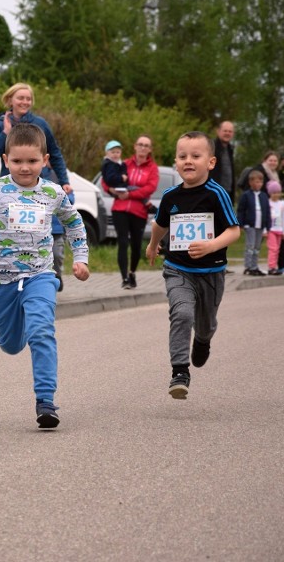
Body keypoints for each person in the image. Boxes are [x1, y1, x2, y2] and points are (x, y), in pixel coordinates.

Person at [0, 123, 90, 428]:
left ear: (45, 161)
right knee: (10, 344)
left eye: (32, 161)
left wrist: (81, 257)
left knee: (42, 331)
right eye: (17, 161)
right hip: (2, 281)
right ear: (6, 159)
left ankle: (46, 401)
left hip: (40, 276)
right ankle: (6, 313)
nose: (24, 167)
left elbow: (74, 223)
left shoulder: (52, 192)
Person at [145, 131, 240, 399]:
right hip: (177, 269)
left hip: (211, 273)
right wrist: (153, 245)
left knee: (206, 324)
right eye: (183, 156)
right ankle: (179, 371)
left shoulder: (216, 194)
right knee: (182, 313)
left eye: (195, 156)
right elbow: (160, 224)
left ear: (210, 162)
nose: (188, 161)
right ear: (175, 161)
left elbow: (234, 231)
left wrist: (210, 246)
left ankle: (203, 340)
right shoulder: (171, 196)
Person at [0, 82, 74, 290]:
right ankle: (12, 276)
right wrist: (6, 133)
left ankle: (44, 272)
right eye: (20, 98)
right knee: (14, 235)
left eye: (28, 98)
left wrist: (65, 180)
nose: (24, 102)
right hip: (9, 191)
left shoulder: (40, 124)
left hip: (36, 188)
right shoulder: (1, 124)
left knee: (38, 231)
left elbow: (55, 153)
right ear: (10, 100)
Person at [104, 134, 159, 289]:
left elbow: (150, 188)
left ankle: (132, 272)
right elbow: (107, 178)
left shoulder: (152, 168)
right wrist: (111, 190)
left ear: (150, 149)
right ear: (135, 146)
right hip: (120, 208)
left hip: (139, 211)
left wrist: (131, 194)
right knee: (123, 242)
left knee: (136, 245)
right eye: (140, 144)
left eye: (146, 145)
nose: (142, 147)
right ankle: (124, 279)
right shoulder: (124, 163)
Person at [236, 170, 270, 276]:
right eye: (256, 182)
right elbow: (240, 210)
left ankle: (255, 266)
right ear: (250, 182)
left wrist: (267, 227)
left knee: (257, 247)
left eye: (260, 182)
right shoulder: (246, 195)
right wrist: (240, 224)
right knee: (250, 246)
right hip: (249, 225)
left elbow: (267, 211)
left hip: (260, 225)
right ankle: (248, 266)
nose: (258, 184)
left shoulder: (264, 196)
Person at [209, 120, 236, 202]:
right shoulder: (211, 147)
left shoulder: (230, 149)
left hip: (227, 193)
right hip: (213, 192)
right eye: (225, 131)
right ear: (218, 131)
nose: (227, 133)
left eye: (230, 131)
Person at [266, 180, 284, 275]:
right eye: (274, 193)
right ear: (270, 193)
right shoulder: (268, 203)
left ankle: (275, 266)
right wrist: (265, 230)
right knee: (272, 248)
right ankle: (271, 267)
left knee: (277, 249)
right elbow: (265, 218)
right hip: (271, 230)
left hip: (280, 230)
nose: (276, 194)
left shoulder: (282, 204)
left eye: (278, 192)